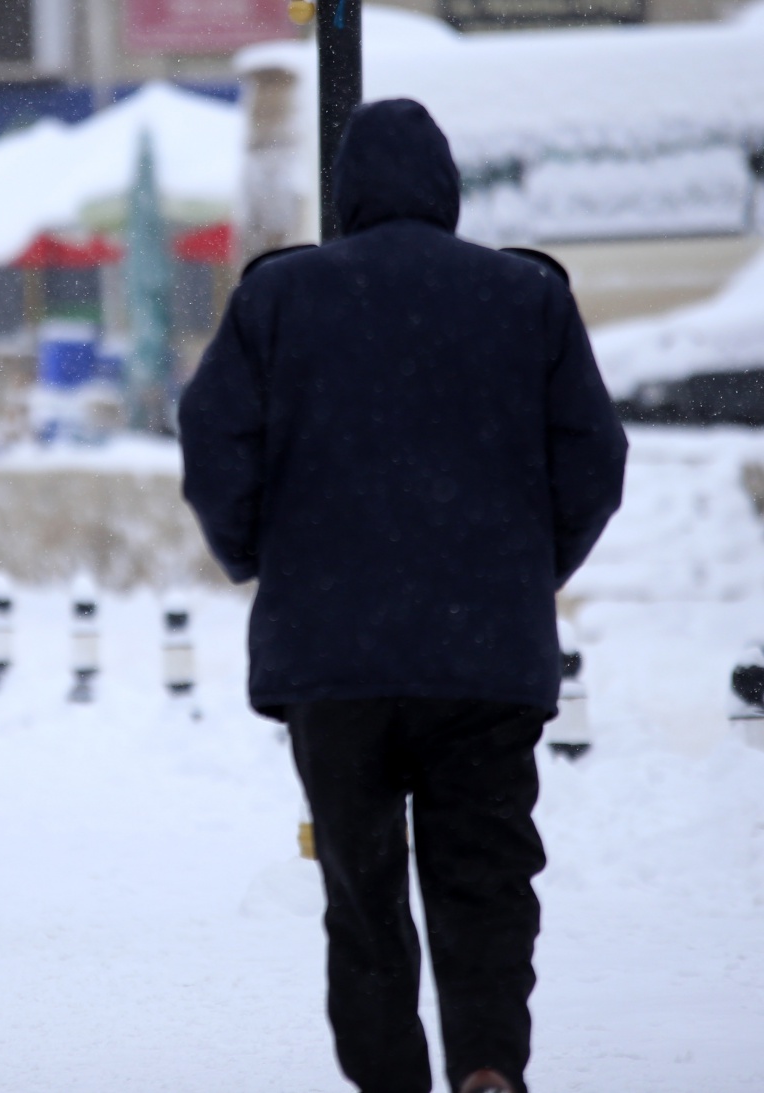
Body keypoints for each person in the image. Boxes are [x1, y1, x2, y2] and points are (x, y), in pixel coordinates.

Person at [178, 100, 627, 1093]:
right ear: (447, 191)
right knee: (484, 876)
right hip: (482, 660)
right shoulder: (524, 296)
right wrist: (522, 569)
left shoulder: (279, 298)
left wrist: (259, 553)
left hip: (331, 659)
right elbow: (592, 459)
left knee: (362, 889)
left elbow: (213, 443)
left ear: (344, 196)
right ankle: (484, 1064)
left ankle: (390, 1077)